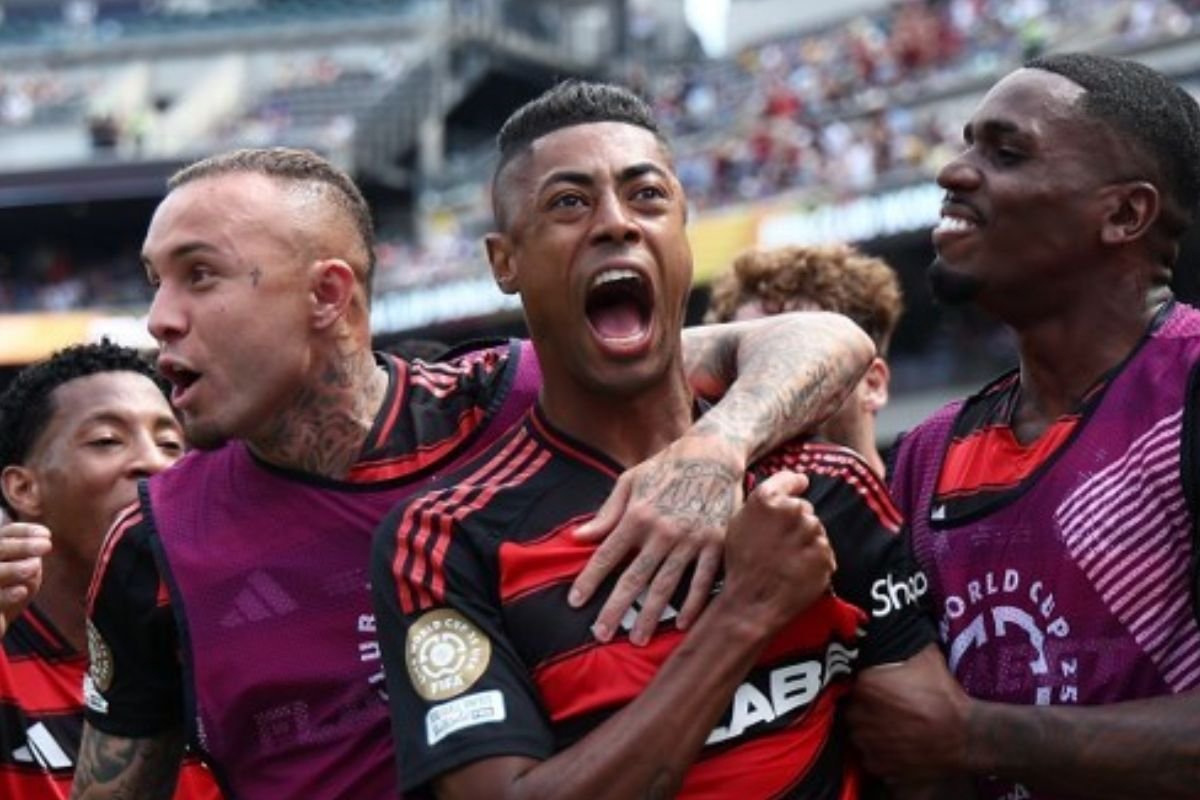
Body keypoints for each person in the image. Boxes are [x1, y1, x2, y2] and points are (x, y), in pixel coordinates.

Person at [58, 146, 871, 799]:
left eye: (198, 275)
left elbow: (826, 341)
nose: (159, 317)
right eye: (153, 282)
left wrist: (718, 443)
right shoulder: (153, 543)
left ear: (327, 294)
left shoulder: (517, 394)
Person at [371, 79, 941, 799]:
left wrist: (719, 446)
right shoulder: (446, 541)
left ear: (683, 228)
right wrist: (746, 616)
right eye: (569, 203)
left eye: (647, 196)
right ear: (503, 261)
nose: (616, 223)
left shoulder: (823, 484)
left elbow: (928, 752)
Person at [849, 53, 1200, 799]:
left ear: (1124, 215)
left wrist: (972, 736)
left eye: (1005, 153)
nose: (954, 171)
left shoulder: (1186, 393)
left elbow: (937, 731)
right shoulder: (928, 450)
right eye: (968, 142)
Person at [0, 341, 219, 799]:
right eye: (107, 440)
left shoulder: (226, 648)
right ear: (23, 488)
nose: (155, 464)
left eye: (171, 444)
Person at [705, 242, 903, 477]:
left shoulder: (921, 507)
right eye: (748, 365)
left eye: (799, 360)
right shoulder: (703, 509)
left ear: (872, 384)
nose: (770, 388)